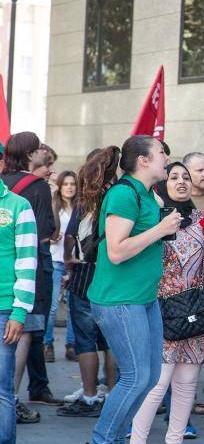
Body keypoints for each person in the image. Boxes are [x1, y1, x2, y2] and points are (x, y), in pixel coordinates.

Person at [75, 135, 182, 444]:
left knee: (149, 378)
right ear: (145, 161)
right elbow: (117, 251)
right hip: (120, 299)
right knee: (136, 377)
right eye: (162, 154)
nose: (167, 158)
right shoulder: (124, 194)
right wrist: (160, 230)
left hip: (143, 298)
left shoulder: (147, 194)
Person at [126, 162, 204, 444]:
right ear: (162, 183)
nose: (182, 181)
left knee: (187, 384)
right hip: (163, 308)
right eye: (174, 177)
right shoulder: (154, 220)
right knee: (157, 385)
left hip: (195, 310)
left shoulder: (199, 219)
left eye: (186, 177)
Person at [56, 148, 120, 418]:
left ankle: (90, 395)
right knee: (112, 342)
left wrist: (70, 262)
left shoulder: (85, 201)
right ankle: (115, 396)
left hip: (84, 276)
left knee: (85, 340)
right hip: (114, 276)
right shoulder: (120, 196)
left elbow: (70, 237)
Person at [1, 133, 60, 425]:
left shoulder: (6, 183)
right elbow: (47, 232)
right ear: (28, 154)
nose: (42, 153)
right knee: (22, 333)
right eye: (38, 148)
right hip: (28, 271)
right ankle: (10, 401)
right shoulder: (36, 188)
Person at [0, 175, 38, 444]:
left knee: (1, 389)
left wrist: (19, 310)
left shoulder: (18, 206)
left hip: (4, 310)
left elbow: (27, 260)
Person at [44, 170, 78, 362]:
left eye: (72, 184)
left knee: (74, 307)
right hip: (56, 260)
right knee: (52, 307)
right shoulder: (54, 206)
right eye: (65, 184)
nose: (69, 187)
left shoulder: (80, 207)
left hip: (76, 263)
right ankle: (47, 344)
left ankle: (71, 345)